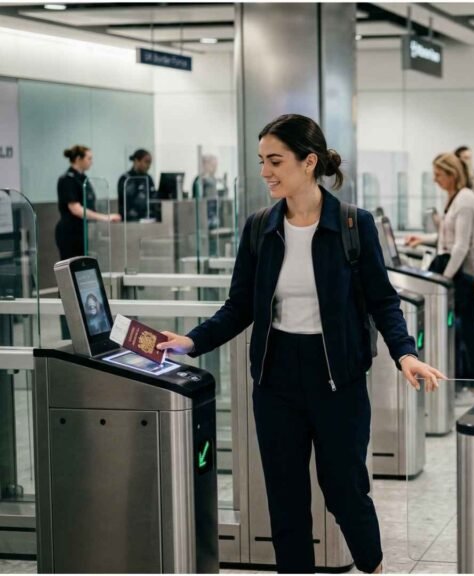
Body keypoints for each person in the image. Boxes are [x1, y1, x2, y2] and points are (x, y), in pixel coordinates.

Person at [156, 114, 443, 574]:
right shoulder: (259, 228)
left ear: (309, 162)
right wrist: (191, 340)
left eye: (275, 160)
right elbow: (239, 307)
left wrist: (405, 354)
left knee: (345, 489)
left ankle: (372, 567)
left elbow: (383, 302)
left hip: (339, 379)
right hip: (276, 379)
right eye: (261, 161)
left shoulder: (354, 224)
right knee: (285, 500)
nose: (265, 171)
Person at [406, 153, 474, 398]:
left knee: (466, 327)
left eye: (439, 175)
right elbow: (447, 236)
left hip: (463, 274)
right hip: (454, 269)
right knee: (460, 328)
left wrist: (445, 281)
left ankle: (471, 380)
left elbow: (461, 246)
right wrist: (424, 239)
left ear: (452, 174)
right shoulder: (454, 198)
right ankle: (462, 379)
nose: (436, 180)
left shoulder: (465, 200)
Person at [56, 145, 122, 261]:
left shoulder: (83, 179)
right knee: (73, 269)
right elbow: (76, 209)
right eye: (89, 158)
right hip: (71, 232)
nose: (91, 162)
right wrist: (105, 217)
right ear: (78, 159)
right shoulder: (68, 179)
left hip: (84, 231)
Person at [117, 149, 157, 222]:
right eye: (146, 162)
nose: (148, 166)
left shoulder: (148, 178)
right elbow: (128, 201)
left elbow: (153, 197)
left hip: (147, 217)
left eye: (150, 163)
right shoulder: (126, 179)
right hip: (131, 219)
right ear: (136, 161)